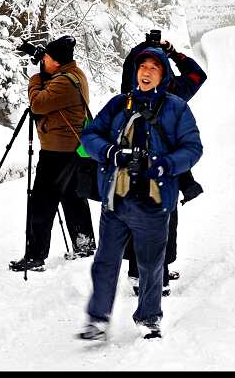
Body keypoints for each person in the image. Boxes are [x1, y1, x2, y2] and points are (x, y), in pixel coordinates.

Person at [76, 46, 203, 340]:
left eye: (154, 68)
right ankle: (97, 319)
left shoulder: (176, 108)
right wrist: (110, 152)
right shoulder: (119, 104)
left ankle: (149, 318)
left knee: (150, 264)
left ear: (164, 75)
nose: (146, 72)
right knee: (105, 261)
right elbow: (90, 135)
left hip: (154, 202)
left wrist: (164, 164)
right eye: (142, 67)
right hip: (115, 200)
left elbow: (193, 148)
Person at [121, 38, 207, 297]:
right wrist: (173, 53)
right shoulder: (175, 90)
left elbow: (129, 66)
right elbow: (197, 74)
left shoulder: (130, 91)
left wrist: (139, 49)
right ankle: (159, 276)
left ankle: (137, 272)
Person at [9, 35, 96, 272]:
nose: (43, 60)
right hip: (72, 150)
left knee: (42, 203)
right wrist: (43, 62)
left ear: (56, 63)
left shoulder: (64, 82)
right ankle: (84, 244)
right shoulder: (74, 73)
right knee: (72, 196)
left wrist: (36, 78)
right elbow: (52, 79)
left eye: (46, 57)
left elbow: (37, 103)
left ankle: (35, 256)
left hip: (57, 152)